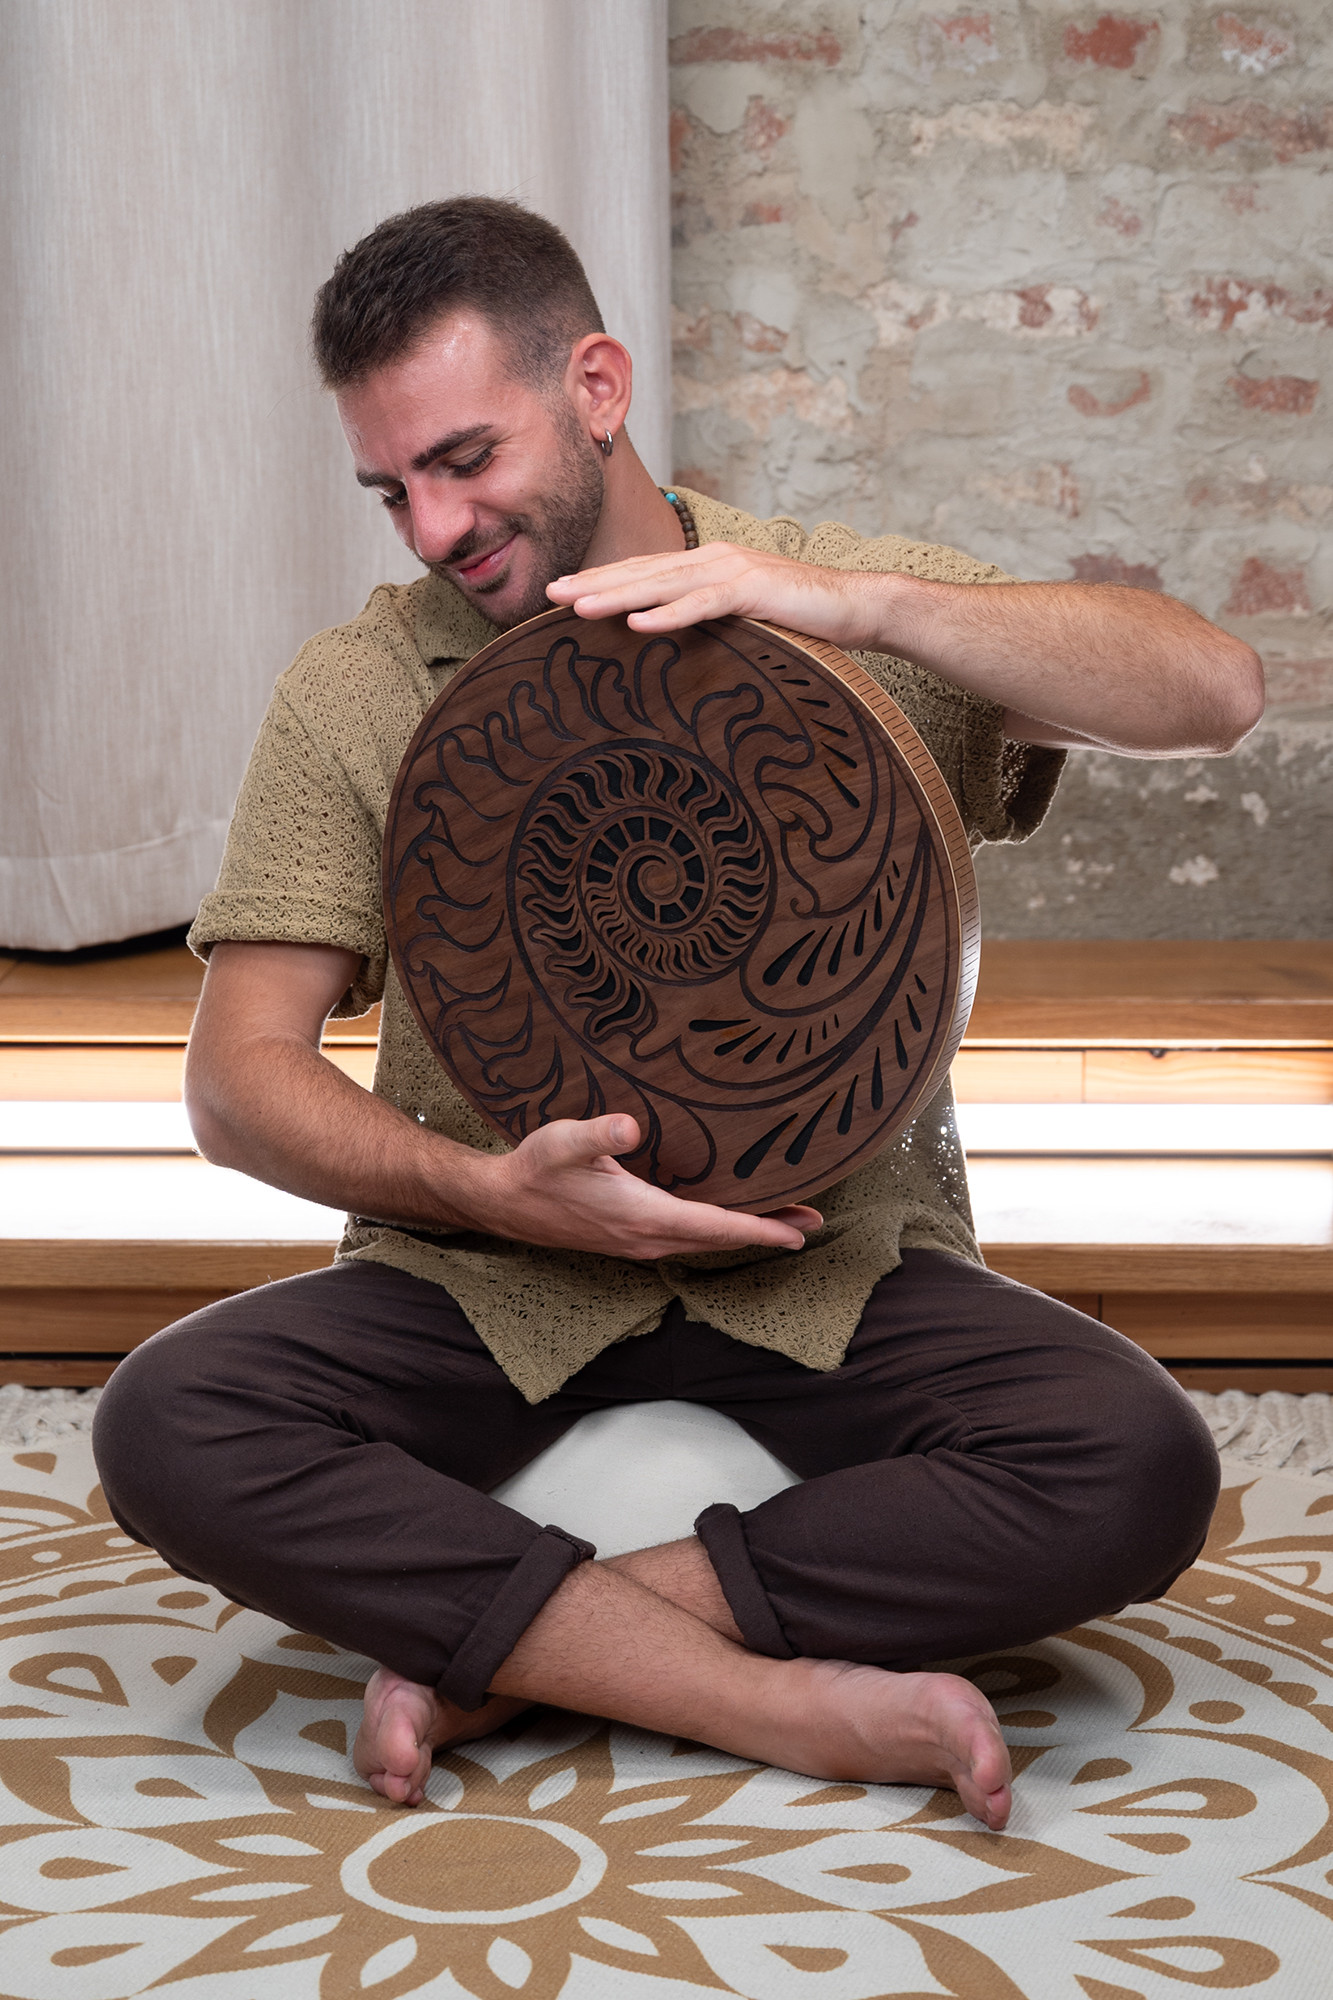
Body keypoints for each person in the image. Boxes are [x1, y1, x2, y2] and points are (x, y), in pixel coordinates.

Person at [92, 198, 1261, 1833]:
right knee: (168, 1421)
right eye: (392, 487)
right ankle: (775, 1704)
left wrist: (859, 608)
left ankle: (520, 1651)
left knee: (1134, 1462)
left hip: (827, 1270)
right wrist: (487, 1194)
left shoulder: (817, 609)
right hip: (485, 1284)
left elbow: (1211, 692)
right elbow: (236, 1081)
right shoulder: (357, 688)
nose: (432, 526)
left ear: (596, 385)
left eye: (466, 460)